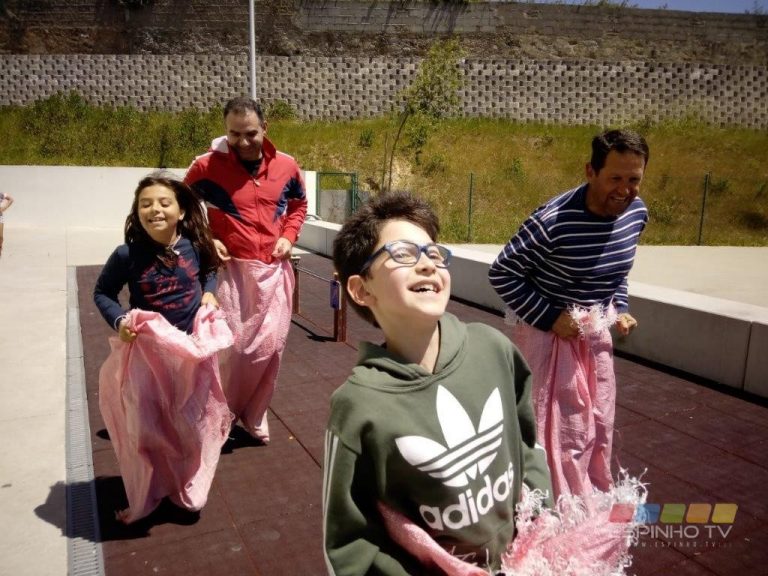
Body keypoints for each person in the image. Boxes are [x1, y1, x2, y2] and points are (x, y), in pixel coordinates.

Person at [323, 191, 553, 575]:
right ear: (362, 290)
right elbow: (350, 545)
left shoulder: (492, 348)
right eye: (402, 254)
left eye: (433, 253)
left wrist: (542, 514)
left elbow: (527, 446)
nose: (427, 264)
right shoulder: (359, 407)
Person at [488, 129, 649, 501]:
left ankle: (589, 492)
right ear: (590, 171)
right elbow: (502, 272)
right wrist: (549, 317)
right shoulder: (551, 221)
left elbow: (617, 270)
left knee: (599, 419)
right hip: (549, 334)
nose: (624, 190)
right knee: (555, 428)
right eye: (615, 178)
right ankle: (546, 499)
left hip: (595, 332)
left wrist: (620, 308)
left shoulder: (636, 215)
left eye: (634, 179)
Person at [94, 173, 233, 523]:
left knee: (191, 419)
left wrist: (210, 290)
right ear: (136, 211)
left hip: (190, 350)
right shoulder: (126, 255)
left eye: (163, 202)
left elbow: (210, 270)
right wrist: (121, 320)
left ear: (182, 211)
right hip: (149, 355)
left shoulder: (195, 245)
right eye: (145, 204)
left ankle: (185, 477)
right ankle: (149, 488)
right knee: (147, 422)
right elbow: (102, 293)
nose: (154, 209)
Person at [184, 96, 307, 445]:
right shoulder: (206, 166)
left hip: (274, 271)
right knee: (233, 352)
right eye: (234, 134)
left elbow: (299, 204)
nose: (243, 142)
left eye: (250, 133)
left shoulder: (286, 165)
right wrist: (206, 239)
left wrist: (288, 234)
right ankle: (220, 416)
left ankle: (254, 416)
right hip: (232, 271)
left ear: (265, 128)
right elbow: (183, 206)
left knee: (271, 351)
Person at [0, 191, 14, 259]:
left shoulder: (1, 194)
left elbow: (11, 199)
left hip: (0, 217)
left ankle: (0, 247)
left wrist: (4, 208)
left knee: (1, 237)